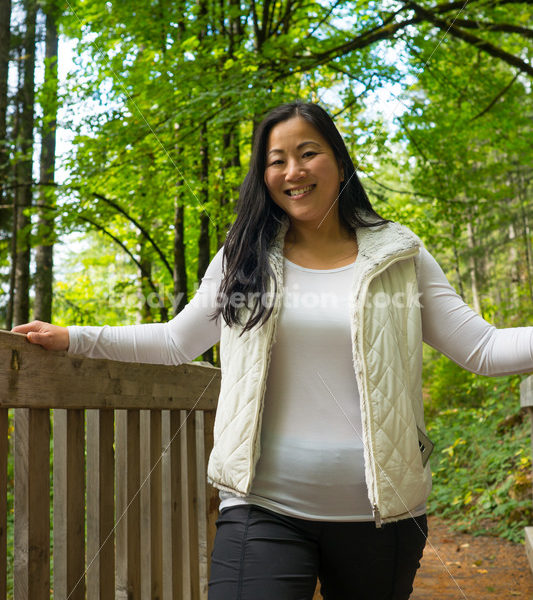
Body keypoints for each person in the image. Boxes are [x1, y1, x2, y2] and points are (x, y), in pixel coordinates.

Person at [13, 101, 533, 600]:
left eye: (308, 153)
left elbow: (483, 349)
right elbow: (178, 340)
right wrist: (74, 337)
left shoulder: (400, 255)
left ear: (338, 160)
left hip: (380, 516)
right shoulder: (244, 252)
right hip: (260, 508)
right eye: (276, 160)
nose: (293, 171)